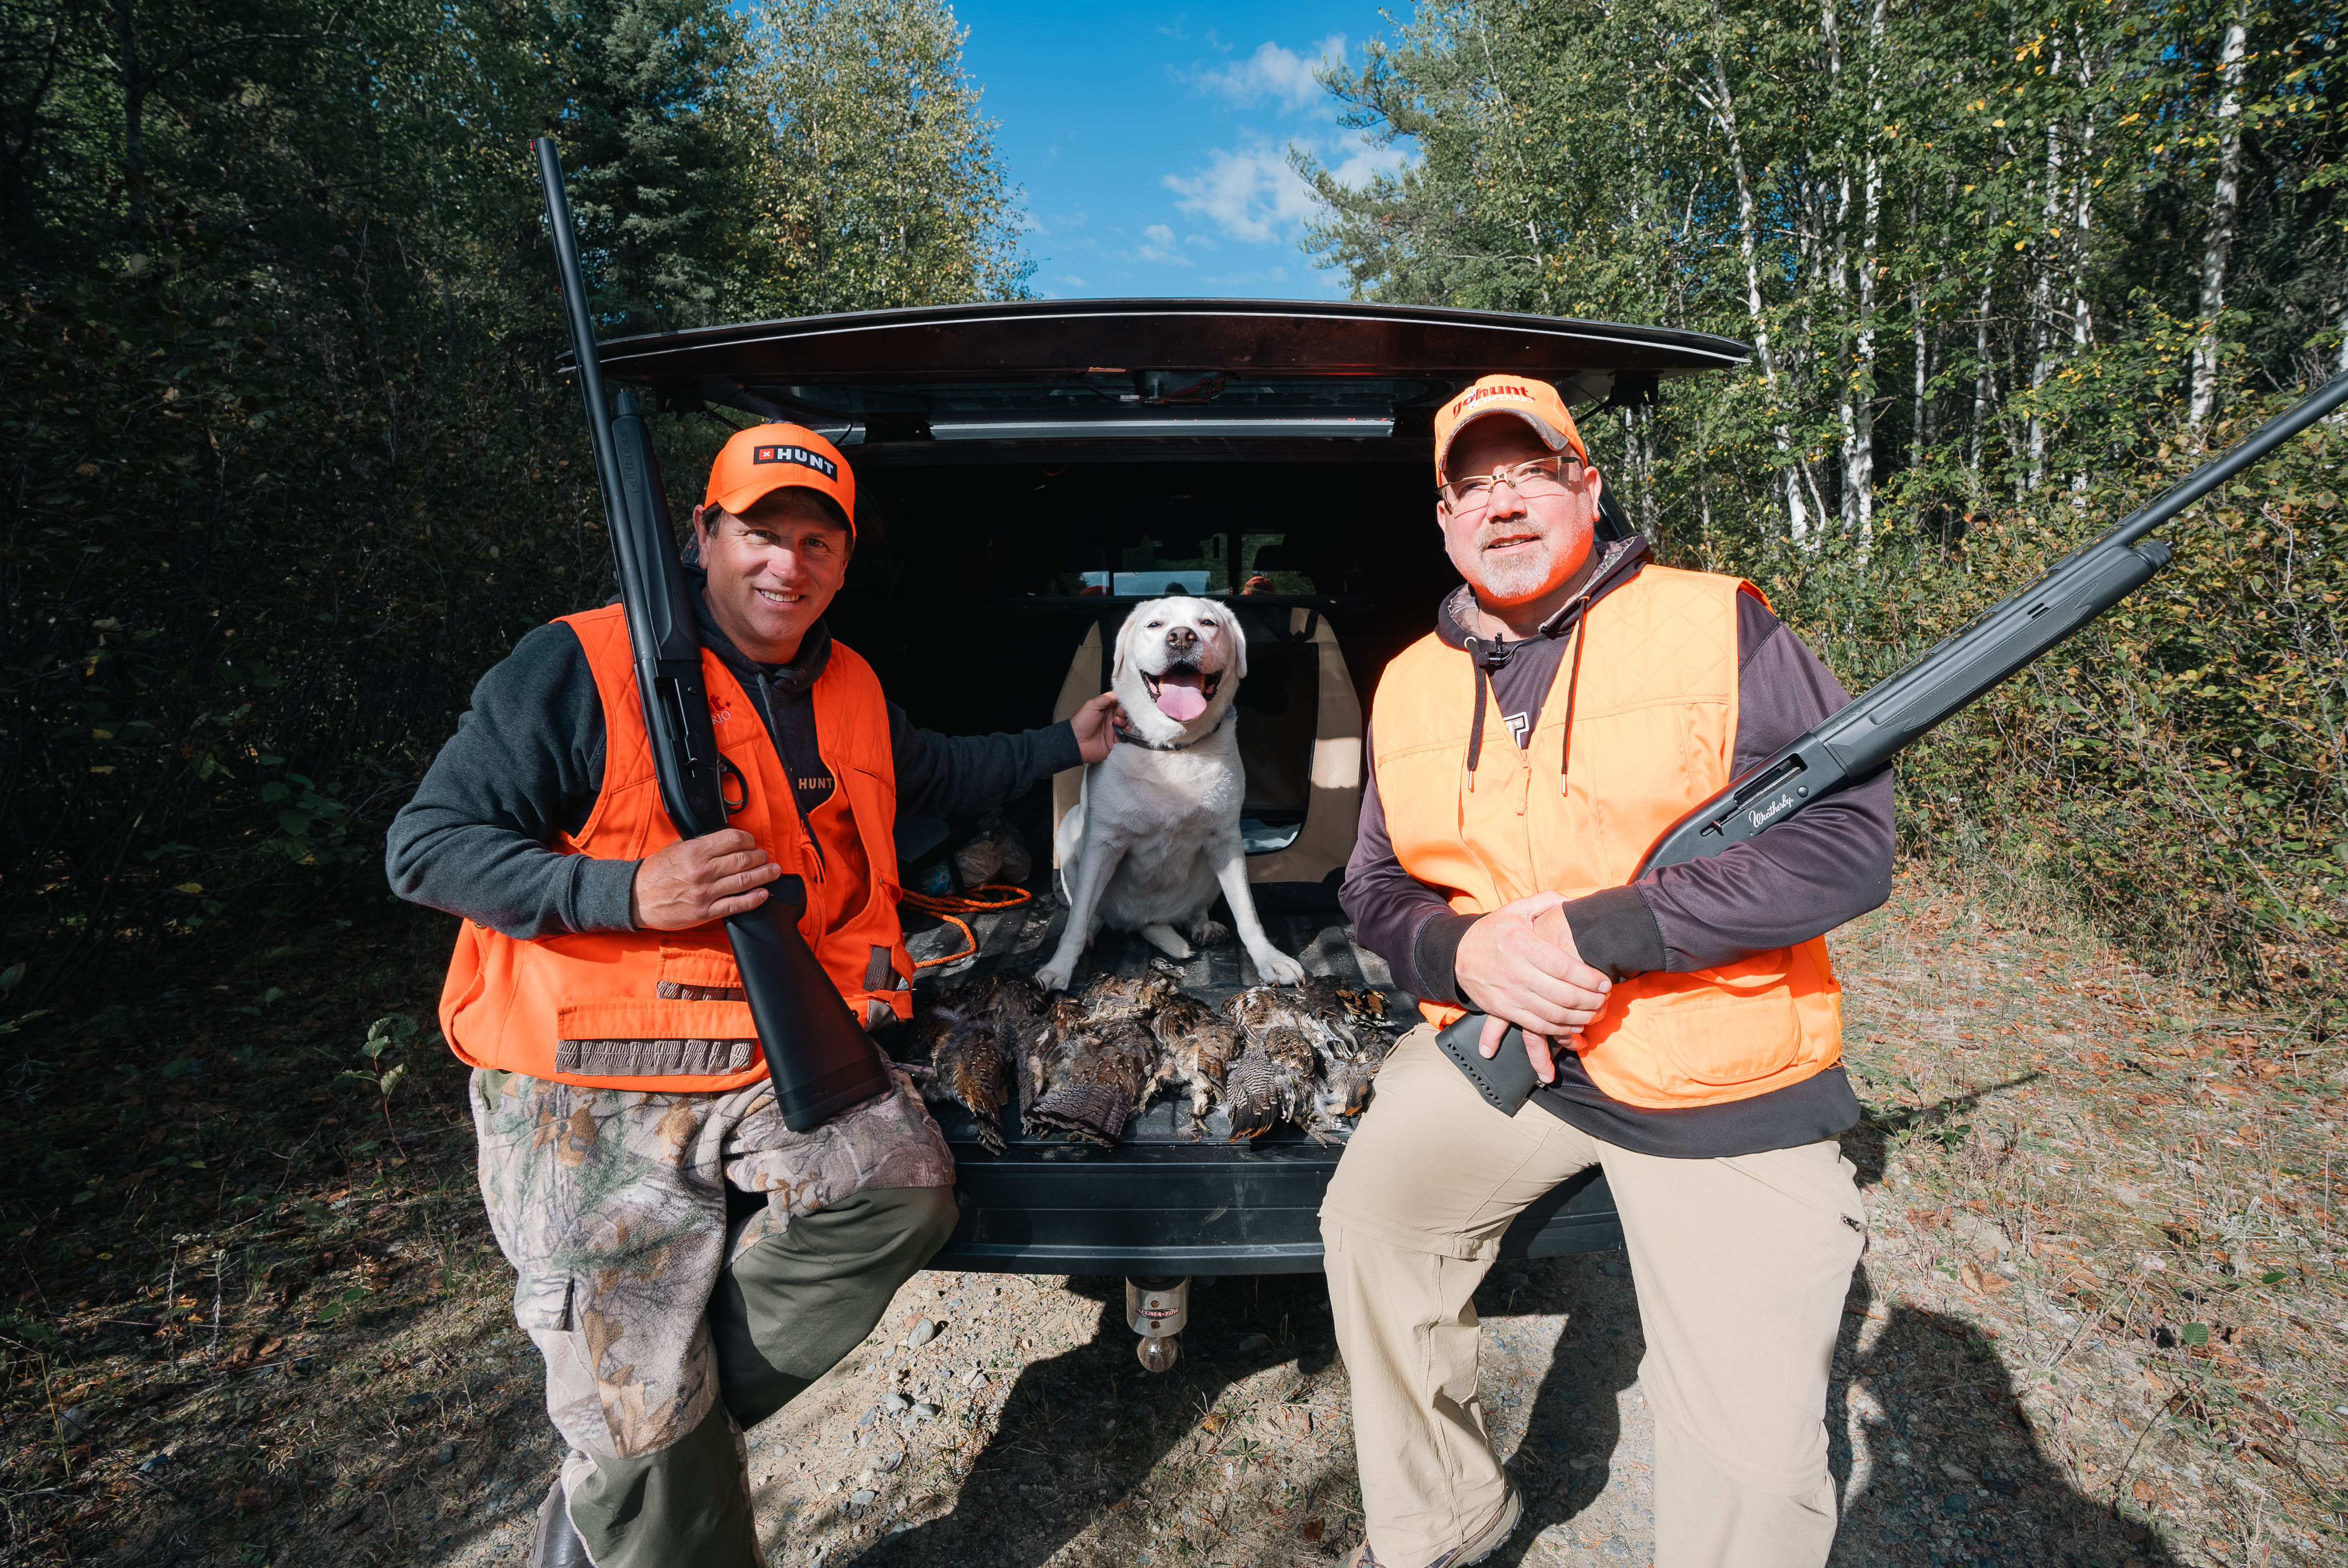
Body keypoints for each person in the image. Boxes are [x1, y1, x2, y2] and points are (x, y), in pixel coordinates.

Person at [387, 423, 1120, 1568]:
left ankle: (628, 1454)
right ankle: (637, 1473)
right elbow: (426, 847)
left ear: (844, 558)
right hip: (588, 1080)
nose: (789, 564)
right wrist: (624, 888)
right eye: (762, 535)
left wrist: (1064, 743)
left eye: (817, 542)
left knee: (904, 1193)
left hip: (776, 1056)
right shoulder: (578, 663)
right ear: (704, 537)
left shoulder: (848, 683)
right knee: (652, 1436)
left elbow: (937, 770)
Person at [1325, 376, 1894, 1568]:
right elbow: (1372, 889)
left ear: (1585, 485)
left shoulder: (1712, 623)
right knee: (1373, 1217)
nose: (1501, 503)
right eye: (1470, 485)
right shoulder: (1407, 681)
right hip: (1512, 1054)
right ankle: (1446, 1521)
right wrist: (1465, 951)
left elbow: (1845, 844)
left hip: (1712, 1073)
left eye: (1527, 472)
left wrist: (1596, 934)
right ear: (1442, 522)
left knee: (1746, 1454)